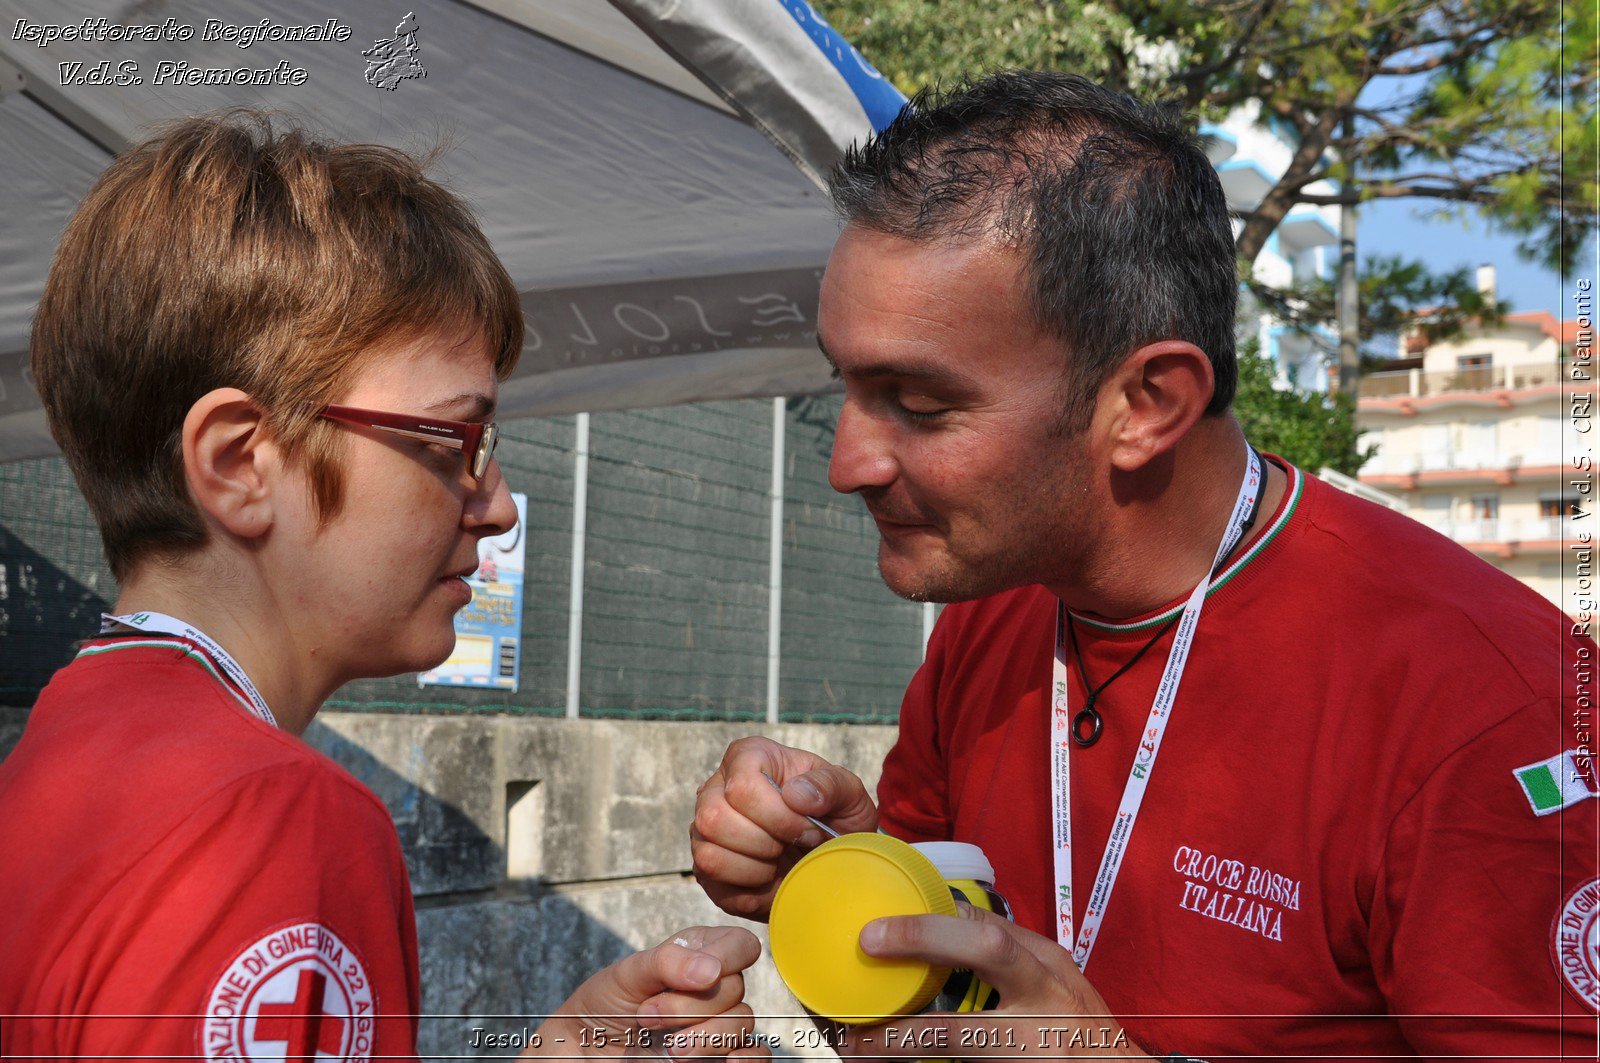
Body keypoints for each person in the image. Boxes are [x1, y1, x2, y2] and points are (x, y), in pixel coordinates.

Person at [689, 71, 1599, 1059]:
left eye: (917, 401)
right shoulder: (986, 625)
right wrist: (841, 877)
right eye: (848, 385)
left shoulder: (1490, 703)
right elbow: (909, 1033)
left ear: (1149, 404)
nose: (844, 464)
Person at [0, 113, 764, 1062]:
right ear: (242, 463)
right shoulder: (271, 821)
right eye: (453, 443)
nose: (499, 507)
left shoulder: (65, 748)